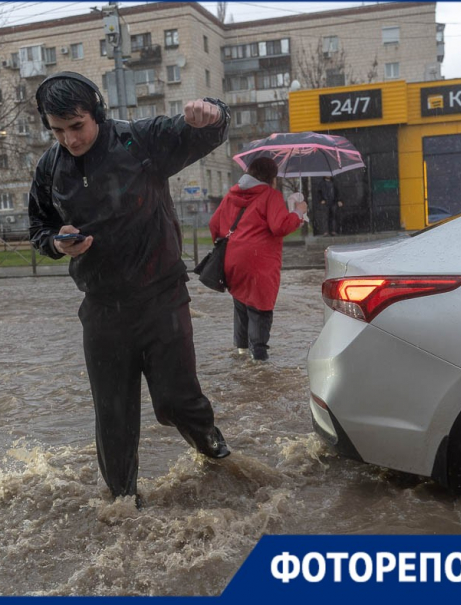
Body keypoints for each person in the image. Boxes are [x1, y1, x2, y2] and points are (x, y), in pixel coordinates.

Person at [28, 71, 231, 507]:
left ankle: (215, 452)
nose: (69, 139)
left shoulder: (139, 142)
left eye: (76, 126)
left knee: (176, 401)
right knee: (113, 417)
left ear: (96, 114)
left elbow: (202, 130)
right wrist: (56, 243)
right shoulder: (51, 167)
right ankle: (123, 504)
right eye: (58, 130)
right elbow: (38, 226)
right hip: (101, 308)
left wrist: (212, 113)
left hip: (161, 299)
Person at [208, 157, 307, 361]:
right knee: (260, 307)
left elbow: (213, 224)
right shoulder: (270, 196)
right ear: (271, 178)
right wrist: (299, 212)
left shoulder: (231, 194)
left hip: (232, 260)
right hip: (259, 262)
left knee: (241, 304)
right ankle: (259, 359)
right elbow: (279, 226)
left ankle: (241, 352)